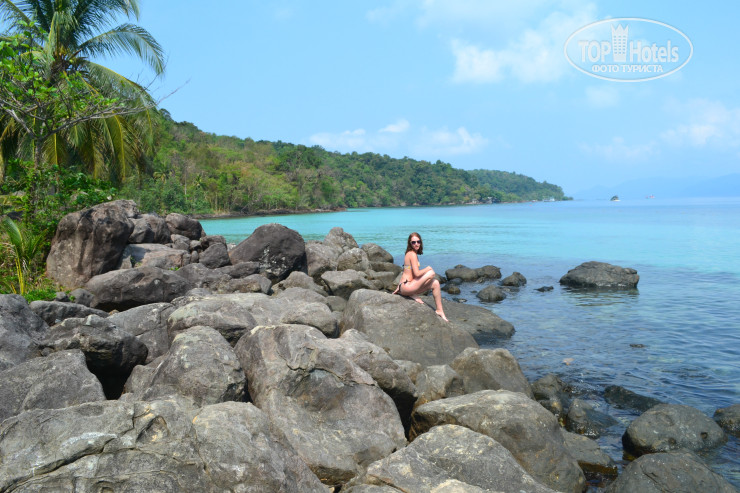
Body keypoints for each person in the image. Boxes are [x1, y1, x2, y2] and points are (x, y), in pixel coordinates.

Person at [392, 232, 449, 322]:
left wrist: (399, 287)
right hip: (407, 286)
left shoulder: (411, 253)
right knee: (431, 273)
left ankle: (439, 310)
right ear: (410, 243)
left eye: (418, 241)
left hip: (406, 286)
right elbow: (417, 274)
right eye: (413, 242)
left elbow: (407, 272)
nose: (416, 244)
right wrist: (428, 268)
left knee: (435, 283)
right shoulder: (412, 254)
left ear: (420, 242)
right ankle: (410, 293)